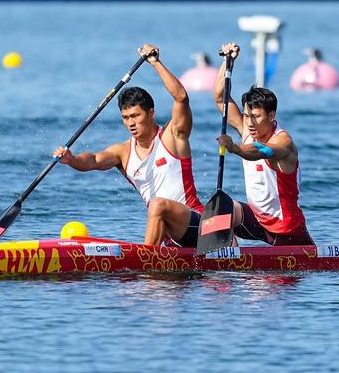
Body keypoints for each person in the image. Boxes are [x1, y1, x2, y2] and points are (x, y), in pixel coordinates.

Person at [53, 44, 203, 247]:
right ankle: (150, 264)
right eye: (125, 118)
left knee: (157, 204)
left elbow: (181, 97)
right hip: (170, 237)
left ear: (151, 113)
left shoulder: (172, 137)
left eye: (135, 116)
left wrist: (155, 63)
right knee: (157, 209)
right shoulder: (123, 151)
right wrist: (71, 159)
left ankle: (145, 264)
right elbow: (93, 161)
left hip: (199, 227)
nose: (131, 123)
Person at [213, 42, 315, 246]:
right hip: (256, 219)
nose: (250, 122)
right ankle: (227, 261)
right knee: (222, 208)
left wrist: (234, 147)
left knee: (278, 280)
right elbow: (219, 98)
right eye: (247, 115)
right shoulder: (246, 127)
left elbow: (261, 151)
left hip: (287, 229)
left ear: (271, 115)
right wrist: (227, 62)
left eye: (257, 117)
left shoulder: (283, 142)